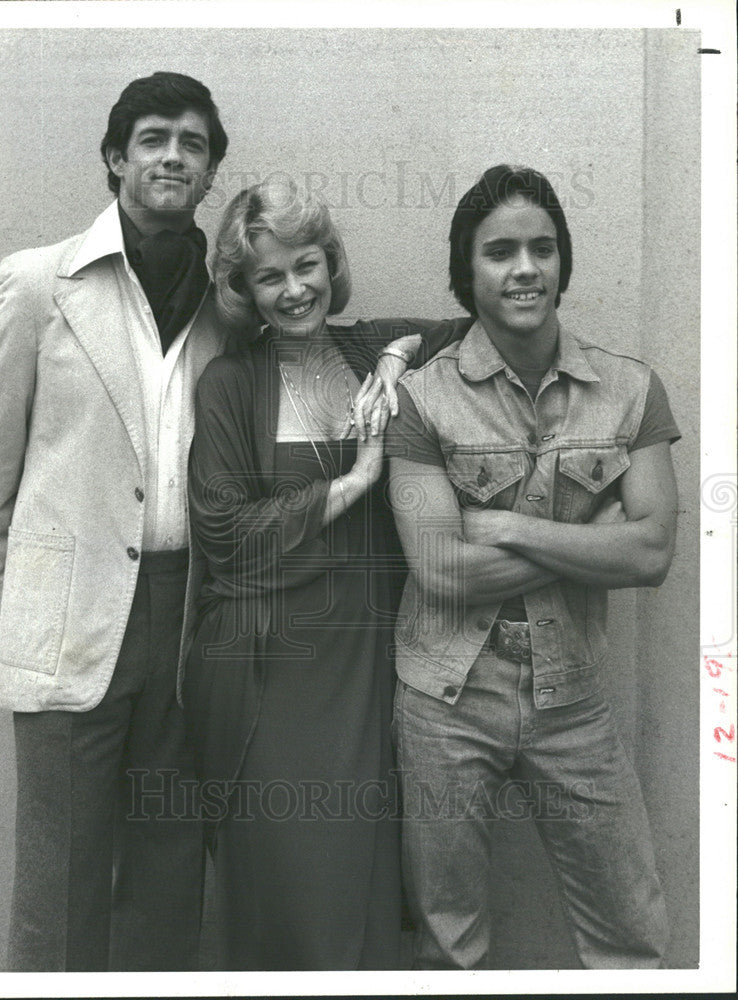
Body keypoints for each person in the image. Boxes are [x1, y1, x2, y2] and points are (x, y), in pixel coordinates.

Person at [384, 164, 679, 969]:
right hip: (445, 693)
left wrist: (511, 525)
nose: (526, 269)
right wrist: (594, 543)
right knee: (451, 941)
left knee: (631, 933)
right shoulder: (421, 401)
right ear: (466, 273)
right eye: (501, 251)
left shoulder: (630, 391)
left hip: (572, 694)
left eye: (543, 249)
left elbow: (652, 554)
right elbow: (441, 570)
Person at [0, 71, 229, 971]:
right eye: (155, 137)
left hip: (188, 617)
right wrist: (28, 597)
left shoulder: (225, 303)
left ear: (209, 174)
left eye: (194, 142)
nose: (174, 154)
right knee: (61, 881)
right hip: (72, 617)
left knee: (169, 873)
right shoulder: (40, 284)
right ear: (115, 157)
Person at [184, 180, 437, 970]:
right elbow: (224, 537)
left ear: (331, 263)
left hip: (367, 664)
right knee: (284, 881)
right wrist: (353, 483)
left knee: (363, 880)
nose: (295, 289)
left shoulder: (368, 347)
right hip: (268, 670)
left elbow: (470, 326)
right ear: (243, 290)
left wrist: (397, 357)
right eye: (270, 276)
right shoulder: (229, 384)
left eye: (308, 264)